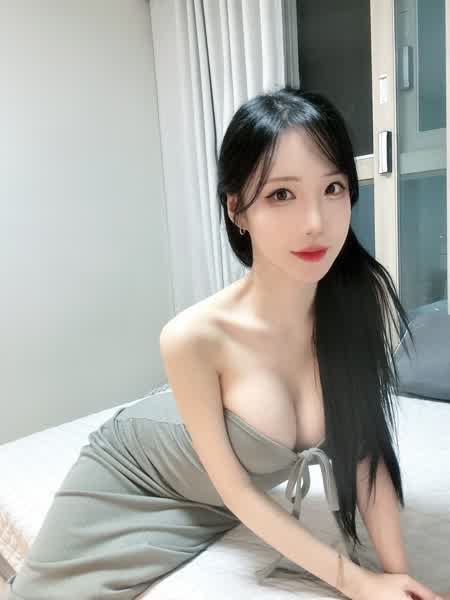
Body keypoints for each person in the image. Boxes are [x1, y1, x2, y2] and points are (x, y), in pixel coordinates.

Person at [6, 86, 448, 600]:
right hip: (132, 481)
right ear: (237, 209)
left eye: (333, 188)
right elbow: (237, 491)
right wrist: (356, 582)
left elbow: (365, 452)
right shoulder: (194, 336)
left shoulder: (356, 302)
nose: (315, 222)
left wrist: (398, 577)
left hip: (212, 498)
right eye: (281, 194)